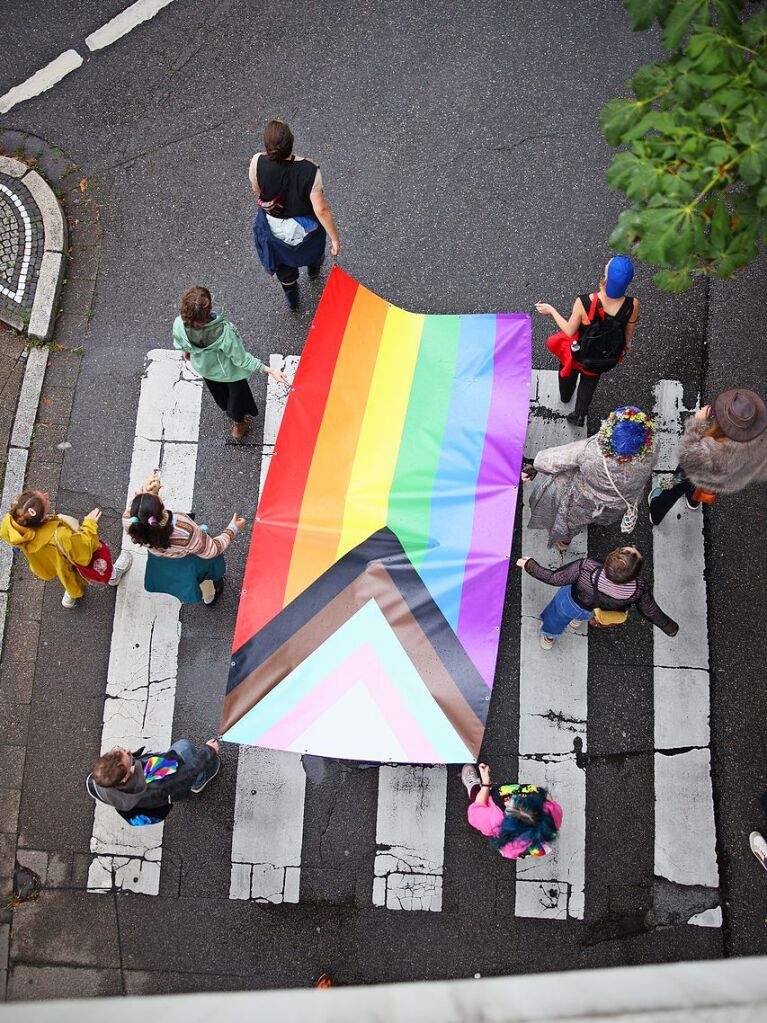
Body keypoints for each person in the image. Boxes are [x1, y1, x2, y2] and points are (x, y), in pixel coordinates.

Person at [524, 406, 656, 550]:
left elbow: (551, 461)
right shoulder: (652, 450)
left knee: (570, 522)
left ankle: (563, 542)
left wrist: (535, 466)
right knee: (600, 517)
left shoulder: (592, 452)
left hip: (585, 500)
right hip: (619, 503)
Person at [172, 286, 288, 439]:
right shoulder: (224, 332)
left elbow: (181, 345)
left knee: (222, 396)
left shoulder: (179, 324)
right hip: (230, 373)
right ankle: (239, 424)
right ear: (209, 307)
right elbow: (241, 359)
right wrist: (269, 370)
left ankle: (237, 420)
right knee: (237, 399)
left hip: (207, 370)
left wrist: (187, 352)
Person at [535, 255, 639, 426]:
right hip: (602, 357)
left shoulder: (585, 302)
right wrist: (626, 345)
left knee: (567, 374)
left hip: (579, 353)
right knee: (589, 383)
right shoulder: (632, 304)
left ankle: (566, 395)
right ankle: (580, 414)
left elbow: (569, 331)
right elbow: (628, 333)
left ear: (607, 277)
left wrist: (551, 311)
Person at [250, 118, 341, 310]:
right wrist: (335, 240)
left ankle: (293, 301)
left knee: (285, 268)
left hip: (274, 227)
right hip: (303, 229)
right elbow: (321, 209)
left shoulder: (257, 162)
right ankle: (313, 271)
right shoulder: (310, 170)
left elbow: (257, 191)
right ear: (292, 141)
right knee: (314, 249)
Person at [517, 545, 678, 650]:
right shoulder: (639, 588)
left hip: (571, 602)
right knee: (582, 616)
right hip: (595, 611)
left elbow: (554, 578)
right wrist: (669, 627)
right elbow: (650, 611)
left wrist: (530, 565)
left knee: (555, 619)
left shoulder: (586, 568)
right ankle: (576, 622)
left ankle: (549, 637)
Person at [123, 470, 244, 606]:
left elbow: (136, 513)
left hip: (164, 561)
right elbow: (212, 549)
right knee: (204, 578)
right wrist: (233, 529)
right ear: (161, 506)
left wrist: (147, 492)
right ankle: (210, 597)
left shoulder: (131, 523)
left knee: (187, 580)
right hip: (188, 559)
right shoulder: (184, 530)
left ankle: (208, 597)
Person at [648, 389, 767, 525]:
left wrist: (696, 423)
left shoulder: (712, 450)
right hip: (722, 481)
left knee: (675, 486)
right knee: (702, 488)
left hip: (692, 473)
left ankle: (657, 512)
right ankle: (693, 501)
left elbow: (686, 454)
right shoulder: (759, 444)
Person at [0, 490, 132, 608]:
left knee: (66, 577)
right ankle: (113, 576)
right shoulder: (60, 535)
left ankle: (72, 596)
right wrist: (90, 523)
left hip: (45, 561)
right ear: (41, 519)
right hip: (66, 556)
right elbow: (84, 549)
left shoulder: (9, 523)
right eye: (46, 500)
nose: (46, 495)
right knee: (86, 569)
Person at [86, 737, 221, 826]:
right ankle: (199, 781)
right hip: (168, 785)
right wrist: (208, 752)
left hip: (156, 779)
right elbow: (184, 775)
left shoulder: (100, 781)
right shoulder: (152, 786)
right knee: (183, 747)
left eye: (120, 750)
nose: (128, 751)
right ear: (125, 778)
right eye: (127, 756)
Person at [461, 762, 562, 860]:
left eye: (510, 806)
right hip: (529, 839)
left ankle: (473, 786)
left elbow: (476, 809)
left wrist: (486, 784)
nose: (509, 800)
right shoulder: (551, 812)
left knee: (476, 796)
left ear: (508, 826)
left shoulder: (491, 821)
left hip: (492, 802)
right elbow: (548, 798)